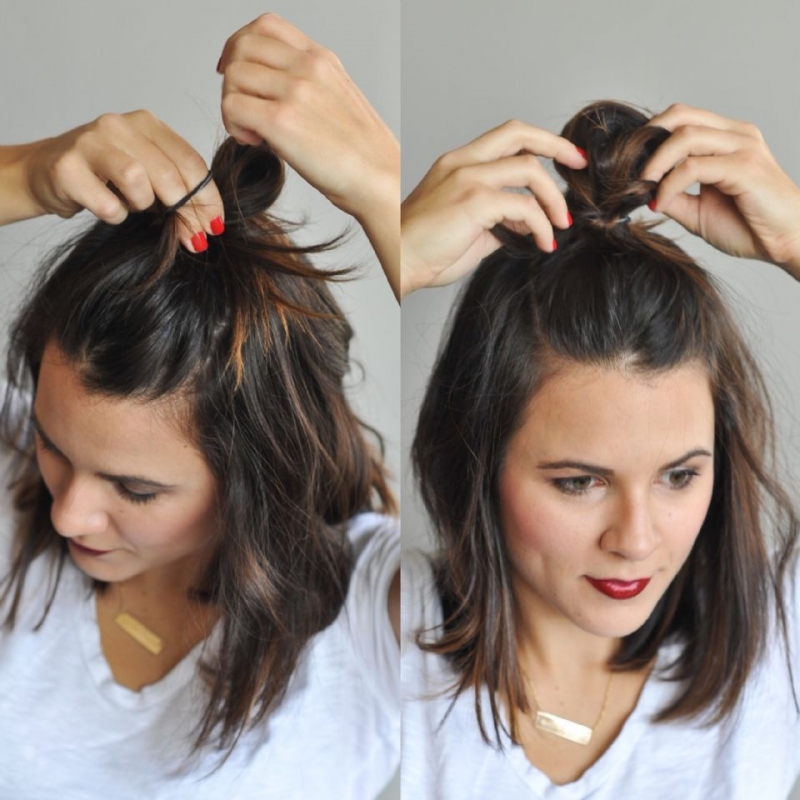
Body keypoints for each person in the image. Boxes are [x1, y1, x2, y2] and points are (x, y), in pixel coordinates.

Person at [0, 14, 400, 800]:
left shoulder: (361, 623)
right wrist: (25, 175)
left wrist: (382, 184)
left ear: (261, 471)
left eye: (135, 489)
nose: (69, 511)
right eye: (53, 445)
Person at [400, 100, 800, 798]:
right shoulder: (386, 637)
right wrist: (399, 248)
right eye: (579, 482)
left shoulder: (778, 644)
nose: (636, 541)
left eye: (679, 476)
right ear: (477, 459)